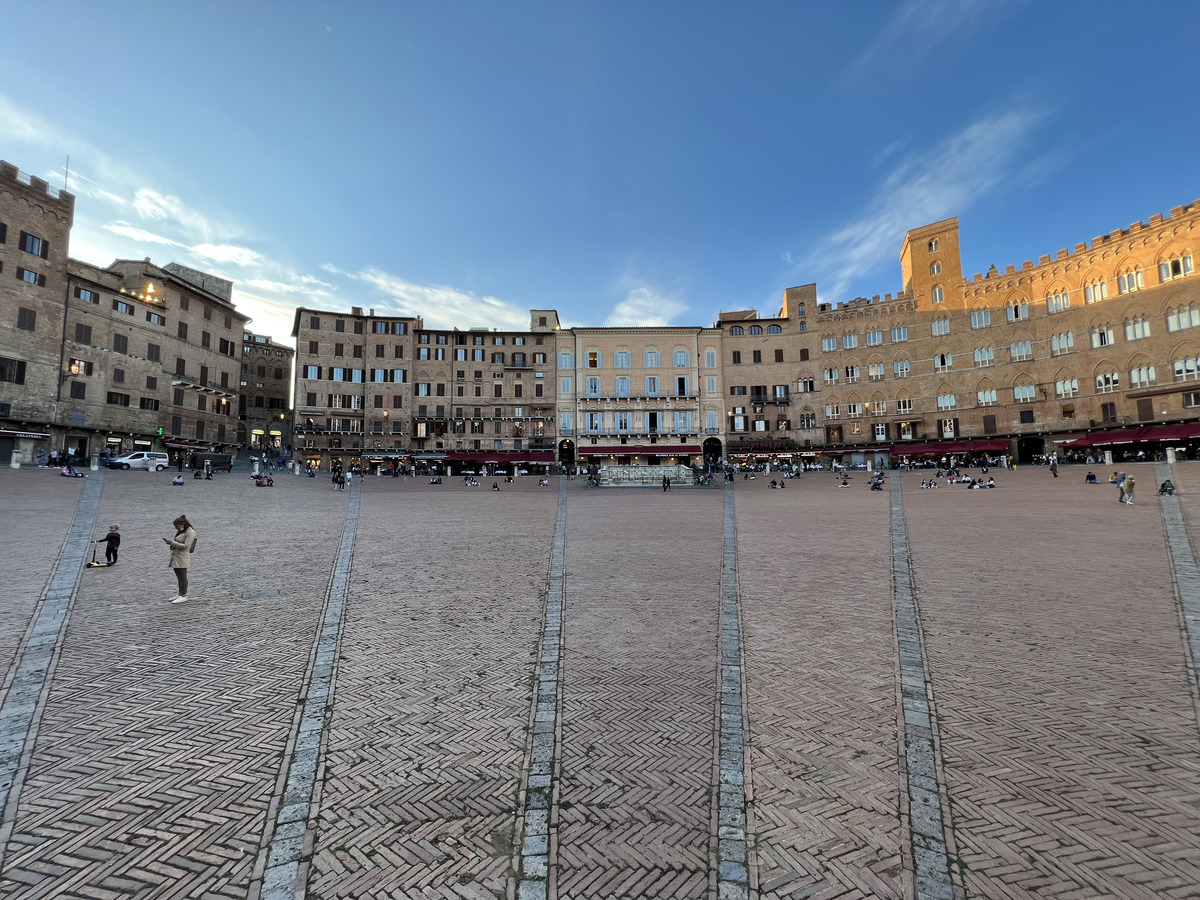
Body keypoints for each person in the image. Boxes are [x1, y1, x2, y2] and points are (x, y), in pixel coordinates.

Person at [163, 515, 197, 603]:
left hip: (182, 557)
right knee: (179, 577)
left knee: (183, 577)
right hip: (176, 556)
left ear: (182, 524)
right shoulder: (182, 532)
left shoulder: (190, 532)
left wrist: (172, 543)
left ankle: (183, 595)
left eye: (177, 526)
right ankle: (180, 593)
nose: (176, 528)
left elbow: (186, 546)